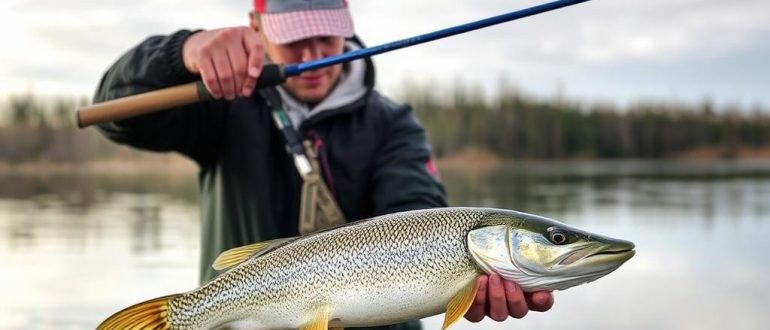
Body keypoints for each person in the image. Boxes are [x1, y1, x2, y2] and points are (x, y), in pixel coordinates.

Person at [94, 0, 554, 329]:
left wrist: (468, 282)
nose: (313, 56)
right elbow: (116, 116)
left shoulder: (392, 124)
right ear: (257, 25)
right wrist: (181, 53)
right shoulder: (223, 109)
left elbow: (420, 208)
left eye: (324, 33)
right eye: (294, 38)